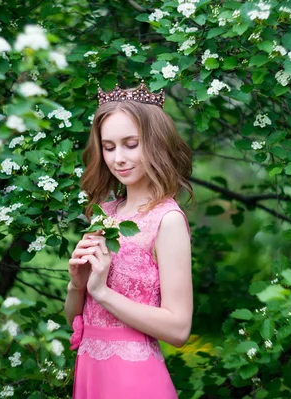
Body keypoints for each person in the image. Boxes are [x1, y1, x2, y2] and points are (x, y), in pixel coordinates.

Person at [64, 82, 194, 399]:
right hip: (90, 372)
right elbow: (76, 319)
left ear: (155, 142)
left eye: (130, 144)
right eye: (109, 147)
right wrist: (77, 286)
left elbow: (179, 330)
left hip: (133, 379)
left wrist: (102, 292)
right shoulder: (103, 214)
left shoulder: (167, 220)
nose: (118, 158)